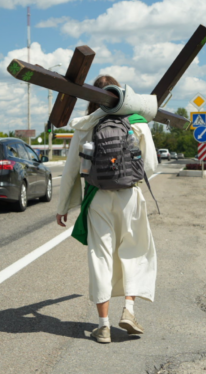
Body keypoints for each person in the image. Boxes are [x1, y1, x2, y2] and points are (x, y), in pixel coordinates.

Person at [56, 75, 158, 344]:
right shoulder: (137, 123)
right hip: (130, 197)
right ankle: (129, 311)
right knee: (134, 251)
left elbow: (71, 171)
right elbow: (151, 165)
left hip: (98, 198)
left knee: (100, 257)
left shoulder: (85, 126)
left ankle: (103, 326)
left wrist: (63, 205)